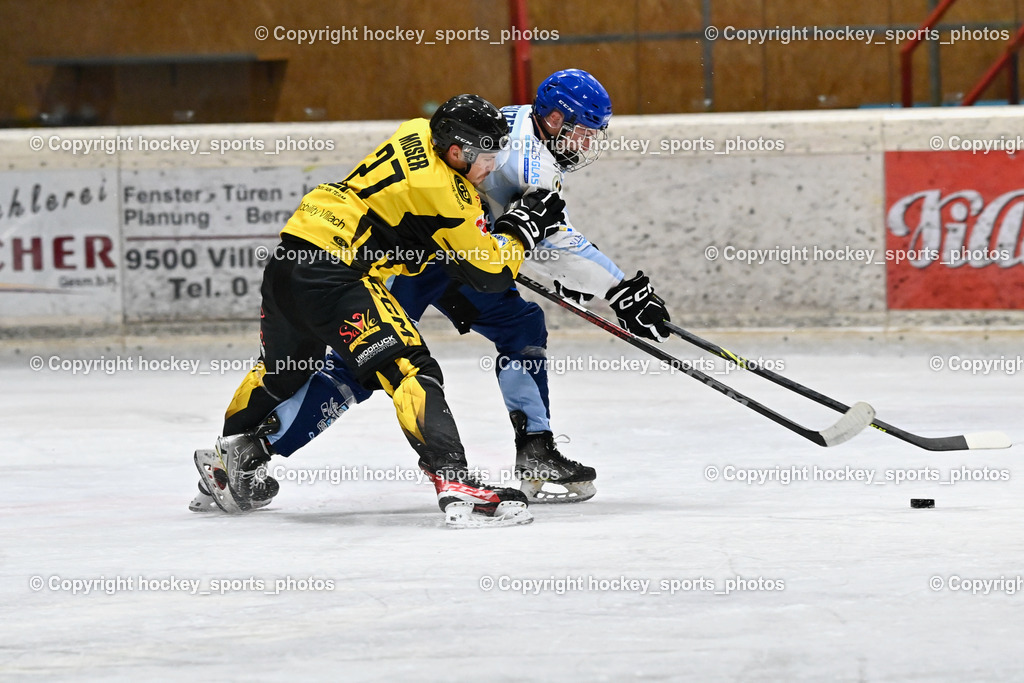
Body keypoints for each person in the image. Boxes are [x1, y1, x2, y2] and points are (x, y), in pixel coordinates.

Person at [190, 70, 671, 512]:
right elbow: (524, 246)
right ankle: (253, 454)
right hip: (418, 257)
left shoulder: (482, 126)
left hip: (421, 250)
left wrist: (568, 263)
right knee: (369, 367)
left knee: (519, 323)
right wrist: (618, 287)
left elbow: (518, 234)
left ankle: (536, 449)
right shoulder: (519, 166)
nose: (586, 143)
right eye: (581, 131)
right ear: (554, 117)